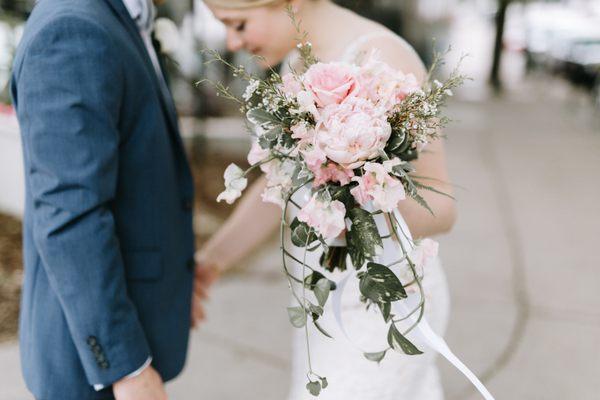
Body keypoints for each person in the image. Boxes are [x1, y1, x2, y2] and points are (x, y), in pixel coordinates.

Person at [196, 0, 456, 399]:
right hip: (321, 297)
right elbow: (278, 189)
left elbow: (443, 209)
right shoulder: (297, 65)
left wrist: (359, 189)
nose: (233, 42)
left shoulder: (384, 60)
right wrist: (211, 262)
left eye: (239, 24)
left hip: (384, 305)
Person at [10, 0, 213, 398]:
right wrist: (128, 368)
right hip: (92, 369)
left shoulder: (119, 17)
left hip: (133, 325)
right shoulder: (71, 30)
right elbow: (70, 215)